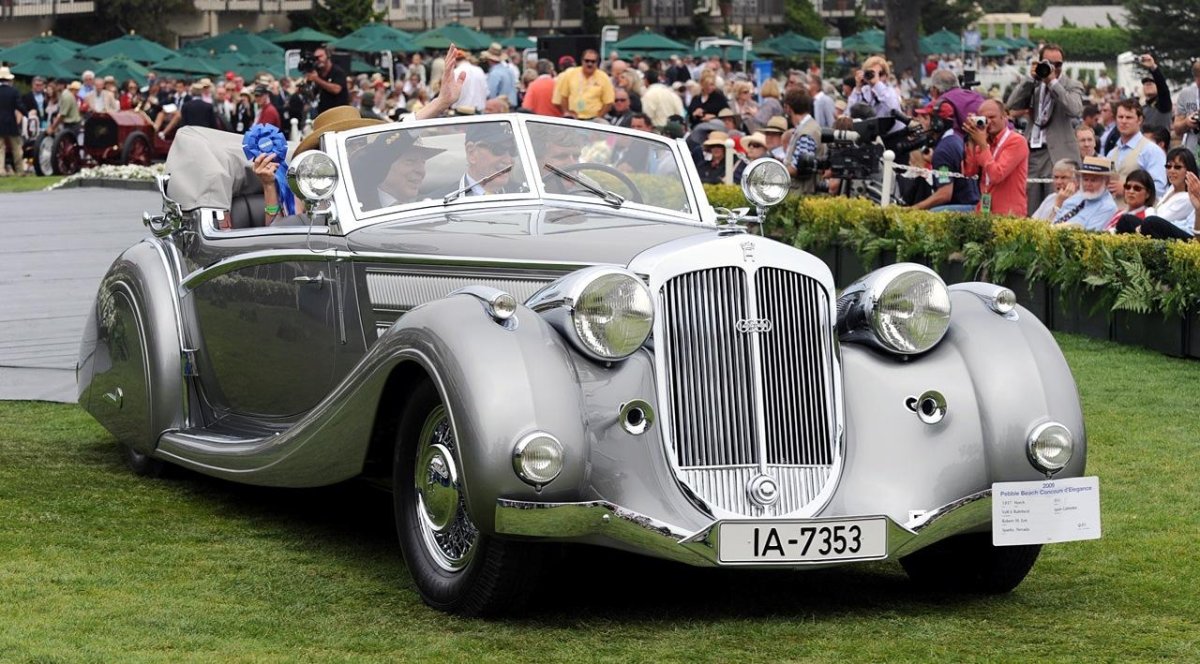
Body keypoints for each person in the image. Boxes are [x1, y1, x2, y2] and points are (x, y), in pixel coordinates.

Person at [1006, 43, 1085, 215]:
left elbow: (1075, 109)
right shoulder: (1033, 83)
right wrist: (1029, 80)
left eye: (1058, 65)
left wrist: (1053, 83)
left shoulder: (1071, 84)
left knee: (1058, 205)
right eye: (1049, 63)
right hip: (1032, 152)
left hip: (1058, 154)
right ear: (1040, 62)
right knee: (1031, 206)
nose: (1053, 68)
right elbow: (1011, 105)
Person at [1114, 148, 1198, 240]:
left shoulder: (1188, 197)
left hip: (1184, 237)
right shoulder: (1171, 188)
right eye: (1168, 166)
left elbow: (1162, 218)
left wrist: (1150, 212)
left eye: (1177, 167)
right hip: (1158, 225)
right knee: (1126, 220)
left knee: (1151, 222)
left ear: (1189, 170)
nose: (1171, 171)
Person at [963, 99, 1029, 215]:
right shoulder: (983, 141)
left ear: (1004, 116)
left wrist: (983, 146)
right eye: (984, 118)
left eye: (992, 117)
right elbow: (969, 172)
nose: (988, 122)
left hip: (1008, 214)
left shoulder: (1016, 141)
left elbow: (996, 175)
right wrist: (971, 142)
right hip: (984, 211)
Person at [912, 103, 979, 212]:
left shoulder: (942, 151)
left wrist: (914, 208)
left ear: (937, 123)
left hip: (965, 209)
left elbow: (944, 194)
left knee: (929, 214)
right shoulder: (955, 139)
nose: (920, 122)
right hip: (972, 205)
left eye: (926, 118)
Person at [1104, 99, 1167, 199]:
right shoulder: (1111, 153)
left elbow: (1159, 189)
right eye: (1120, 117)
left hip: (1140, 213)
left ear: (1140, 120)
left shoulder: (1151, 150)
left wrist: (1127, 189)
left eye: (1129, 117)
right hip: (1113, 212)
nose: (1124, 121)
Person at [1052, 156, 1117, 231]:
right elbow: (1056, 221)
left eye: (1093, 180)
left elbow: (1089, 236)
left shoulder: (1107, 207)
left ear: (1106, 182)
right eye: (1085, 179)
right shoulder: (1076, 197)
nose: (1088, 184)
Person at [847, 56, 904, 135]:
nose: (876, 77)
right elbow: (849, 113)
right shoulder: (863, 91)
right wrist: (858, 88)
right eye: (871, 74)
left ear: (886, 76)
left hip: (892, 137)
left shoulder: (891, 92)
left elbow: (892, 108)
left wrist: (877, 84)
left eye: (880, 74)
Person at [553, 49, 614, 121]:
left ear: (597, 63)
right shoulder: (570, 74)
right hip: (574, 118)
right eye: (587, 61)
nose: (590, 64)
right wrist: (567, 112)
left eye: (593, 61)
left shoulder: (603, 77)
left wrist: (599, 116)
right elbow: (564, 97)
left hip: (594, 119)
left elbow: (609, 102)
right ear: (582, 61)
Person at [456, 124, 517, 196]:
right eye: (498, 149)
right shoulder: (441, 200)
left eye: (512, 150)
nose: (508, 160)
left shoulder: (525, 193)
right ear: (471, 153)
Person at [783, 88, 821, 193]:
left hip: (802, 193)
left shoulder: (807, 132)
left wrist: (774, 172)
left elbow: (798, 168)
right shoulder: (806, 127)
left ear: (788, 108)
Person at [307, 46, 349, 115]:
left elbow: (336, 89)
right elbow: (313, 95)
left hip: (338, 113)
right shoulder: (318, 73)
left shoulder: (337, 71)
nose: (318, 60)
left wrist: (316, 79)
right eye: (315, 58)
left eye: (320, 56)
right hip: (323, 113)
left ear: (328, 56)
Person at [1171, 61, 1200, 153]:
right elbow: (1177, 129)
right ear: (1195, 78)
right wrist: (1187, 122)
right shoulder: (1186, 94)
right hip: (1193, 152)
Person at [1137, 54, 1172, 131]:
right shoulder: (1143, 108)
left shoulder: (1163, 104)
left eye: (1152, 82)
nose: (1148, 84)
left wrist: (1153, 67)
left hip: (1159, 142)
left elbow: (1163, 88)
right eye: (1145, 83)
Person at [0, 67, 22, 176]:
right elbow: (19, 106)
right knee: (16, 148)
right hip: (11, 123)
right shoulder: (13, 91)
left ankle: (1, 170)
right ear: (8, 79)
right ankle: (19, 170)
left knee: (0, 148)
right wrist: (26, 114)